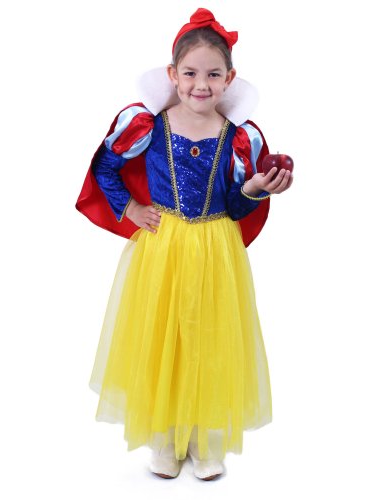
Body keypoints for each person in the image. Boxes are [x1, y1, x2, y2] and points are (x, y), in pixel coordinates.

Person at [75, 7, 293, 481]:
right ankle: (166, 435)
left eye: (213, 74)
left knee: (209, 336)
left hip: (215, 248)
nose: (201, 84)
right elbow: (106, 166)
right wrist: (130, 208)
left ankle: (204, 436)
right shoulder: (149, 125)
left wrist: (255, 188)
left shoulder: (239, 137)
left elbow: (235, 205)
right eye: (190, 73)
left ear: (229, 79)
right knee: (163, 336)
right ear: (172, 74)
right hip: (164, 246)